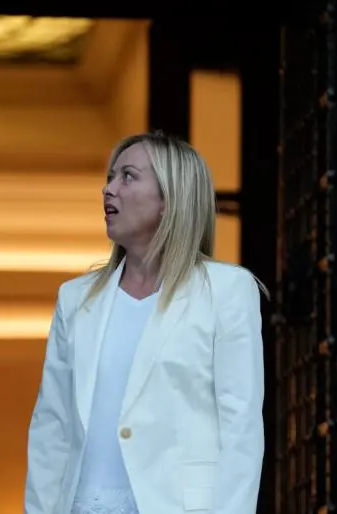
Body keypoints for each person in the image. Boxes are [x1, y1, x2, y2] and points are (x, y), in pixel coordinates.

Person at [24, 132, 265, 514]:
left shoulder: (227, 290)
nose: (108, 189)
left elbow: (242, 428)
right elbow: (51, 425)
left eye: (128, 176)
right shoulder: (75, 298)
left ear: (170, 199)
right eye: (110, 177)